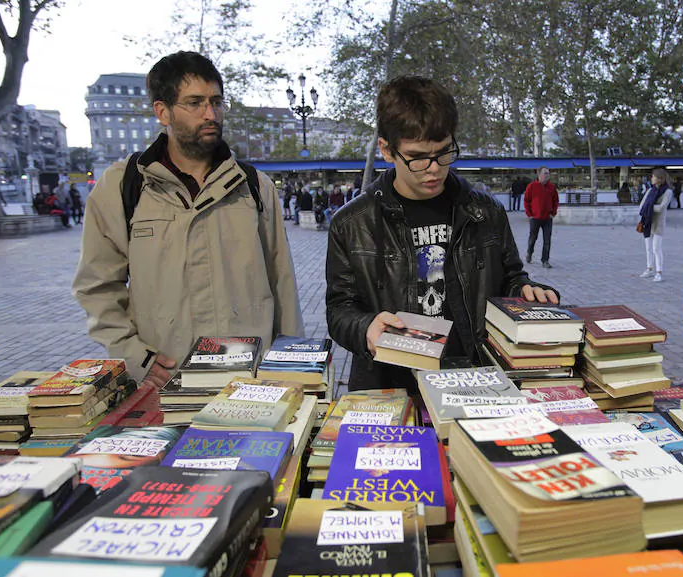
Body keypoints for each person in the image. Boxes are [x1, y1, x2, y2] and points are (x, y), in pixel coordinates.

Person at [72, 51, 303, 386]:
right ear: (162, 111)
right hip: (165, 381)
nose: (210, 114)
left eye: (217, 102)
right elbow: (96, 287)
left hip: (248, 382)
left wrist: (290, 367)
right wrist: (136, 359)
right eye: (195, 103)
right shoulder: (123, 186)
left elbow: (283, 284)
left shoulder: (253, 187)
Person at [325, 76, 558, 392]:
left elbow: (510, 279)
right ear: (386, 150)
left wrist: (527, 292)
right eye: (419, 157)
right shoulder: (352, 223)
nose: (434, 168)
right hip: (390, 383)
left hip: (476, 378)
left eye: (444, 152)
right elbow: (340, 309)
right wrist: (365, 327)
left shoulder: (485, 212)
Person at [637, 168, 673, 283]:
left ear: (660, 179)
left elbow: (661, 207)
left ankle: (659, 272)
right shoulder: (650, 190)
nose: (652, 178)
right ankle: (649, 269)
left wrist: (649, 207)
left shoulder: (668, 192)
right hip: (647, 221)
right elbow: (642, 204)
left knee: (656, 248)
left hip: (658, 223)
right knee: (648, 248)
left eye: (653, 176)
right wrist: (647, 208)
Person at [524, 166, 558, 268]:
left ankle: (545, 260)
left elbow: (556, 201)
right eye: (545, 173)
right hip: (535, 218)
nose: (548, 175)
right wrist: (529, 214)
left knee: (547, 240)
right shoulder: (531, 186)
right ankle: (529, 253)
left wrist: (553, 213)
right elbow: (526, 201)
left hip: (547, 218)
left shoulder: (552, 187)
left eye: (548, 173)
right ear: (539, 175)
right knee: (532, 239)